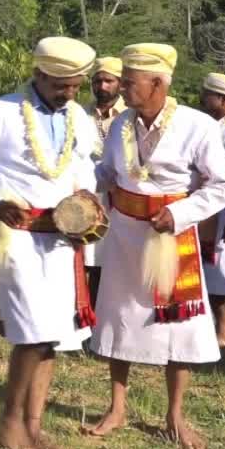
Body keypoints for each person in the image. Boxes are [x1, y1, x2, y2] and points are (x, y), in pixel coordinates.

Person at [0, 37, 100, 449]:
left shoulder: (78, 118)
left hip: (62, 240)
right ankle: (9, 425)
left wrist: (85, 203)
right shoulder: (2, 112)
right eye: (61, 85)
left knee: (51, 338)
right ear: (39, 74)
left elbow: (83, 169)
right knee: (32, 335)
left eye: (75, 86)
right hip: (15, 237)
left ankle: (35, 429)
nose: (68, 94)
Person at [86, 43, 225, 449]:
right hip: (123, 236)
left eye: (130, 82)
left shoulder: (196, 125)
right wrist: (90, 183)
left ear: (157, 83)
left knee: (178, 326)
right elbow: (107, 171)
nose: (123, 88)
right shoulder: (120, 125)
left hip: (173, 238)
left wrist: (182, 213)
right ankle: (116, 409)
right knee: (118, 317)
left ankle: (174, 416)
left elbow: (223, 184)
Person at [84, 56, 128, 302]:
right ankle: (85, 313)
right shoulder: (79, 114)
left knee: (113, 258)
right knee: (87, 257)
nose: (102, 86)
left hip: (120, 196)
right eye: (97, 81)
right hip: (87, 196)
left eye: (108, 81)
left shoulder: (130, 115)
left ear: (120, 84)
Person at [201, 72, 225, 348]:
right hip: (211, 213)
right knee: (214, 274)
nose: (203, 99)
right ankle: (222, 331)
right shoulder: (214, 127)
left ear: (223, 99)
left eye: (207, 95)